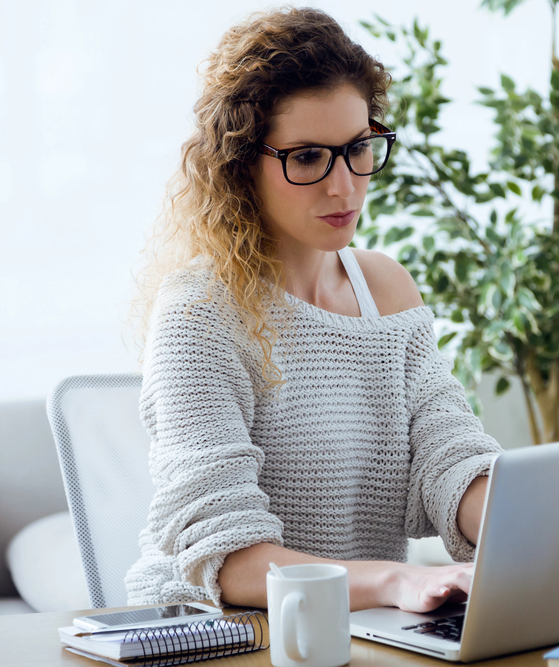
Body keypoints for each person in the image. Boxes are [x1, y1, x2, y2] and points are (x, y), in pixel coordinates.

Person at [124, 6, 502, 613]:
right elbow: (231, 559)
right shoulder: (198, 314)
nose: (344, 186)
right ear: (241, 162)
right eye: (306, 157)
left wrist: (531, 524)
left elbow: (449, 456)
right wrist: (395, 581)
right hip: (226, 634)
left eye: (357, 148)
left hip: (361, 631)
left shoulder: (387, 291)